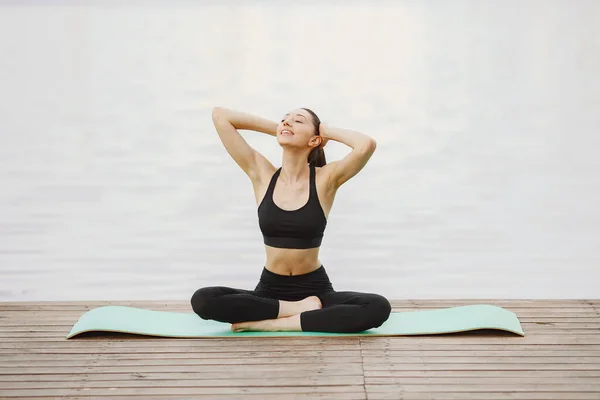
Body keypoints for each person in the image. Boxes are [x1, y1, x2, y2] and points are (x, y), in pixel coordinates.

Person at [190, 106, 391, 333]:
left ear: (315, 140)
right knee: (204, 299)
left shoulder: (325, 179)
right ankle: (294, 310)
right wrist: (281, 129)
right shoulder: (262, 174)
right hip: (269, 289)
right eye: (284, 119)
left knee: (377, 307)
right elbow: (221, 116)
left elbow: (366, 145)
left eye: (298, 121)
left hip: (315, 288)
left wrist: (323, 132)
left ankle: (275, 324)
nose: (287, 123)